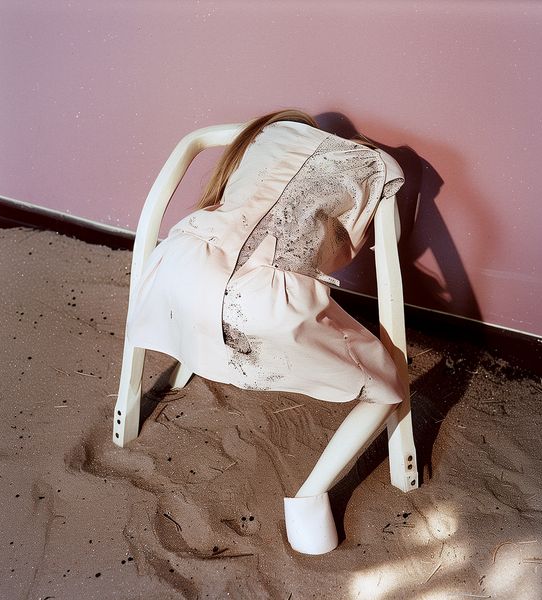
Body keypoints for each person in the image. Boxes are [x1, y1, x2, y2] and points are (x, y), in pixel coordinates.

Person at [126, 108, 408, 554]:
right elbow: (358, 250)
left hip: (176, 260)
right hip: (261, 296)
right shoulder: (374, 164)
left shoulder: (260, 139)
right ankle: (309, 498)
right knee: (386, 384)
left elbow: (195, 142)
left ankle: (128, 409)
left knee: (207, 307)